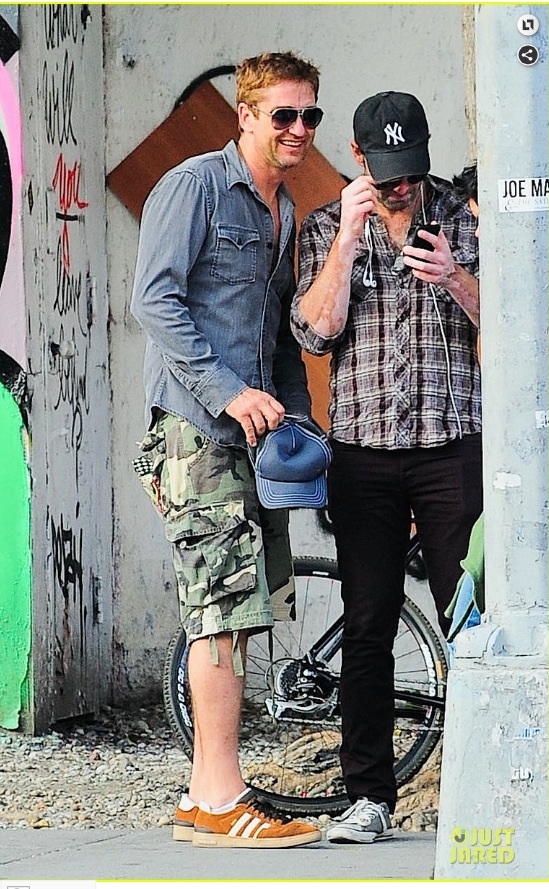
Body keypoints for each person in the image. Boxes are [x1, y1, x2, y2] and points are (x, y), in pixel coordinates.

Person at [131, 51, 323, 849]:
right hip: (197, 433)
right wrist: (228, 392)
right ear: (244, 115)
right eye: (283, 115)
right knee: (218, 612)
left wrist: (297, 417)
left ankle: (207, 790)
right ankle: (218, 801)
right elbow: (154, 301)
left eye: (309, 115)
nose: (299, 129)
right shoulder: (195, 186)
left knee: (241, 612)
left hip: (250, 440)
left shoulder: (283, 209)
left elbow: (275, 332)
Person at [291, 91, 482, 843]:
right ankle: (368, 796)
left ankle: (480, 787)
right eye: (386, 173)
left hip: (449, 447)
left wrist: (456, 278)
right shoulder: (325, 225)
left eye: (411, 173)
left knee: (472, 622)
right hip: (363, 454)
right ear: (359, 158)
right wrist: (346, 244)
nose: (400, 187)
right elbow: (314, 333)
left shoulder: (466, 218)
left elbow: (520, 325)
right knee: (368, 623)